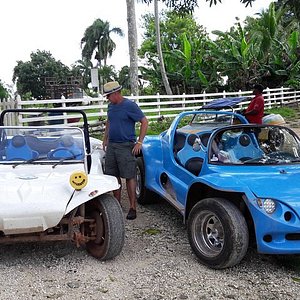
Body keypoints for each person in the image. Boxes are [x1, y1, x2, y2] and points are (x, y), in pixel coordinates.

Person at [102, 81, 148, 220]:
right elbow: (109, 121)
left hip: (126, 145)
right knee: (113, 175)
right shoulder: (111, 106)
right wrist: (105, 138)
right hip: (112, 146)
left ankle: (133, 207)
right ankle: (116, 205)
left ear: (116, 93)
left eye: (108, 96)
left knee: (129, 176)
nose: (107, 98)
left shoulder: (129, 105)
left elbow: (144, 121)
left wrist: (139, 142)